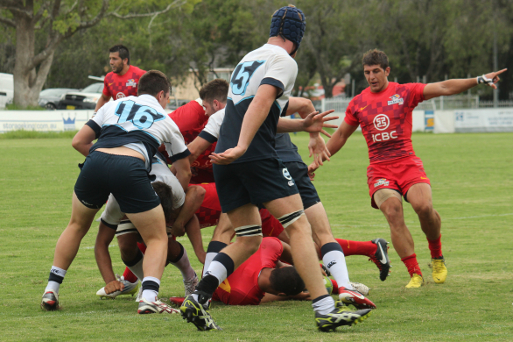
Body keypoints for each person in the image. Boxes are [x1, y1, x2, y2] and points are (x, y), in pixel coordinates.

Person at [180, 5, 372, 332]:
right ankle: (326, 310)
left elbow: (254, 114)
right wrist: (244, 145)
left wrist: (302, 125)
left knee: (248, 238)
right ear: (297, 39)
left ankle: (198, 298)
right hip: (252, 153)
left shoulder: (248, 58)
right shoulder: (285, 61)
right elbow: (262, 103)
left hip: (229, 155)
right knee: (299, 228)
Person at [309, 49, 506, 288]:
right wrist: (318, 159)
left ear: (387, 71)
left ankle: (437, 257)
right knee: (393, 211)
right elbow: (341, 134)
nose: (371, 77)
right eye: (367, 72)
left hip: (407, 163)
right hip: (380, 169)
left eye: (376, 71)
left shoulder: (404, 92)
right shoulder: (358, 103)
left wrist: (478, 79)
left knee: (424, 207)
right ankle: (414, 273)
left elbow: (443, 87)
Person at [40, 70, 192, 315]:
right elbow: (184, 171)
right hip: (131, 168)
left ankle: (51, 289)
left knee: (76, 226)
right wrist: (174, 209)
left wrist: (103, 163)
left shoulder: (115, 104)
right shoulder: (165, 118)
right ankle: (150, 297)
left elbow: (78, 141)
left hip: (96, 161)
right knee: (156, 238)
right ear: (162, 95)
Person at [94, 154, 206, 302]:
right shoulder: (118, 197)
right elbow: (101, 243)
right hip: (130, 197)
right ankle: (146, 283)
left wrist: (182, 226)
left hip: (148, 186)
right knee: (126, 246)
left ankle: (190, 277)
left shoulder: (174, 190)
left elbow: (195, 202)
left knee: (167, 248)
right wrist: (109, 280)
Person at [94, 45, 146, 112]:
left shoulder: (140, 75)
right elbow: (104, 98)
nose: (111, 62)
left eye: (114, 59)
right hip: (119, 119)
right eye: (110, 59)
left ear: (125, 60)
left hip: (138, 119)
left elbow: (154, 97)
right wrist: (94, 116)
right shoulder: (109, 78)